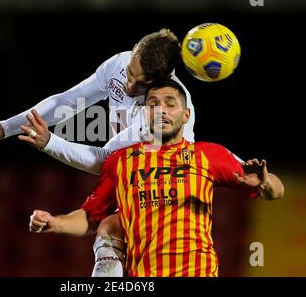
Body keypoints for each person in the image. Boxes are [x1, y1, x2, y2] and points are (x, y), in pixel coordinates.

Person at [0, 29, 195, 276]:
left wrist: (49, 142)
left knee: (112, 231)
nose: (129, 87)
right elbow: (69, 101)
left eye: (141, 85)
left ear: (165, 79)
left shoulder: (166, 109)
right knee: (107, 232)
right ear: (134, 49)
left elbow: (106, 160)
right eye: (129, 75)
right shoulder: (119, 63)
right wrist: (3, 128)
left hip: (168, 187)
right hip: (130, 177)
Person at [29, 78, 284, 277]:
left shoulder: (207, 155)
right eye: (153, 104)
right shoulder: (121, 161)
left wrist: (265, 182)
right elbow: (91, 217)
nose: (161, 110)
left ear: (185, 116)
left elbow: (276, 192)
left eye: (170, 103)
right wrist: (56, 222)